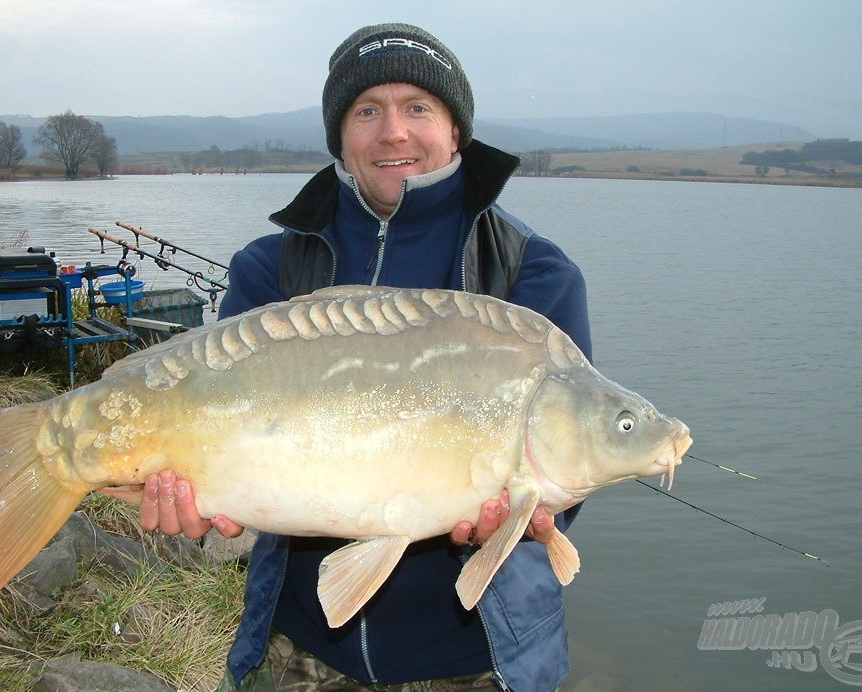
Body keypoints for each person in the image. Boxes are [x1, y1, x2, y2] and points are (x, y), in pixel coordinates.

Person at [125, 23, 591, 691]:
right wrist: (190, 498)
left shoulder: (533, 274)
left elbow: (566, 463)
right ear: (341, 138)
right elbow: (214, 444)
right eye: (367, 110)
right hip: (300, 649)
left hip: (483, 660)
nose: (393, 132)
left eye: (419, 108)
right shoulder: (270, 267)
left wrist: (534, 516)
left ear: (456, 130)